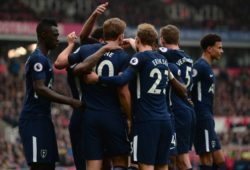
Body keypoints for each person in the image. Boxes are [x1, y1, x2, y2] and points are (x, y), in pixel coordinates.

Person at [86, 23, 175, 170]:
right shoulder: (163, 60)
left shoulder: (138, 58)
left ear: (138, 39)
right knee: (162, 166)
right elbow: (147, 55)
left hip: (146, 121)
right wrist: (135, 43)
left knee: (145, 166)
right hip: (165, 121)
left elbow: (122, 80)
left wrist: (98, 79)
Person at [55, 17, 131, 170]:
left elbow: (59, 63)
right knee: (119, 162)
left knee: (92, 164)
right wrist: (129, 118)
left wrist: (70, 44)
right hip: (113, 115)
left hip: (89, 115)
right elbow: (123, 92)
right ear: (121, 36)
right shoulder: (123, 56)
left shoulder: (85, 50)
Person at [18, 18, 83, 170]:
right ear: (43, 35)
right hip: (33, 120)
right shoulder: (37, 59)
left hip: (44, 121)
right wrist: (71, 101)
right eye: (54, 35)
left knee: (48, 166)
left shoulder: (45, 60)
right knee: (40, 166)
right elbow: (40, 88)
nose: (57, 38)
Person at [65, 3, 108, 170]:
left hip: (81, 114)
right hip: (94, 114)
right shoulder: (103, 57)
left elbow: (82, 40)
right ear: (101, 41)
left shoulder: (79, 56)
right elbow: (83, 38)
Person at [158, 24, 196, 170]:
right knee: (177, 159)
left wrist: (131, 42)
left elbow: (147, 50)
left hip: (178, 110)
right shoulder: (187, 57)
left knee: (182, 160)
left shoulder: (167, 53)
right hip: (188, 110)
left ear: (162, 40)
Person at [191, 33, 225, 170]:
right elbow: (186, 86)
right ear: (209, 49)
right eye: (219, 48)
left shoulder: (207, 67)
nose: (222, 51)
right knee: (206, 159)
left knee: (220, 160)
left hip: (207, 117)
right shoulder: (199, 66)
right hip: (201, 118)